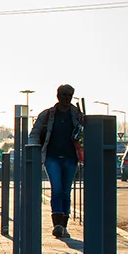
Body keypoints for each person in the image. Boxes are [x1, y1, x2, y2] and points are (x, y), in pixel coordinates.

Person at [29, 84, 84, 239]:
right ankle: (57, 224)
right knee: (57, 189)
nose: (67, 98)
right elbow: (34, 133)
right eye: (64, 94)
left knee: (66, 191)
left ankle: (64, 225)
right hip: (52, 157)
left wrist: (84, 123)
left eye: (70, 95)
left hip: (70, 157)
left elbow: (85, 134)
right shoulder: (47, 115)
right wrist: (33, 151)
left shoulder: (76, 114)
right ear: (58, 96)